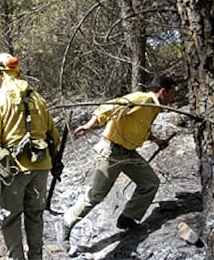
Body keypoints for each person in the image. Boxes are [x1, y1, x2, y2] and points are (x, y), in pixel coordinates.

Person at [56, 76, 177, 252]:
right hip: (112, 151)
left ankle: (127, 218)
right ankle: (66, 223)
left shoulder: (154, 108)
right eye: (172, 93)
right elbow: (109, 106)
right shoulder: (141, 99)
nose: (173, 97)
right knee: (97, 195)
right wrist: (89, 125)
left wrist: (156, 140)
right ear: (162, 91)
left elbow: (141, 128)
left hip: (129, 153)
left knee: (150, 183)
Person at [0, 53, 60, 260]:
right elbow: (53, 136)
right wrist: (53, 163)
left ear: (2, 74)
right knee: (35, 216)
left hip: (15, 171)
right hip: (41, 168)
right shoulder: (38, 98)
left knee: (10, 219)